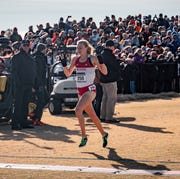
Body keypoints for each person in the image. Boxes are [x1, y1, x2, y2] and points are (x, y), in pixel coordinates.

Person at [61, 39, 109, 148]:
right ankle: (104, 134)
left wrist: (101, 62)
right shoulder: (75, 59)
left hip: (90, 90)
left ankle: (84, 136)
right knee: (92, 115)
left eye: (80, 48)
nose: (78, 50)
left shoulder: (92, 59)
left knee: (78, 110)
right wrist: (64, 65)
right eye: (77, 48)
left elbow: (105, 72)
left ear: (86, 48)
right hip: (80, 90)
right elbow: (68, 74)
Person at [11, 40, 35, 130]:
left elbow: (32, 71)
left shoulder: (30, 57)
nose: (26, 47)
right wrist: (18, 83)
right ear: (21, 46)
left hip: (28, 84)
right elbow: (14, 72)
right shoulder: (17, 57)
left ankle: (23, 122)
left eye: (27, 45)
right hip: (20, 85)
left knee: (25, 104)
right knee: (18, 104)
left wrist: (32, 84)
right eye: (24, 45)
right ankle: (15, 123)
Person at [100, 40, 120, 123]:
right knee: (111, 99)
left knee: (105, 98)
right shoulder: (110, 55)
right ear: (110, 46)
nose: (114, 47)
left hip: (103, 79)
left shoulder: (102, 54)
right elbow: (114, 66)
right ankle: (109, 117)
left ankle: (103, 116)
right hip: (110, 79)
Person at [31, 43, 49, 126]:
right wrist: (39, 84)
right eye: (45, 49)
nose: (46, 50)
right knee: (41, 100)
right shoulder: (39, 58)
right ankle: (36, 118)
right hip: (39, 84)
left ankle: (35, 116)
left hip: (39, 83)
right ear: (42, 49)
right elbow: (38, 73)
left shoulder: (37, 57)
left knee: (43, 100)